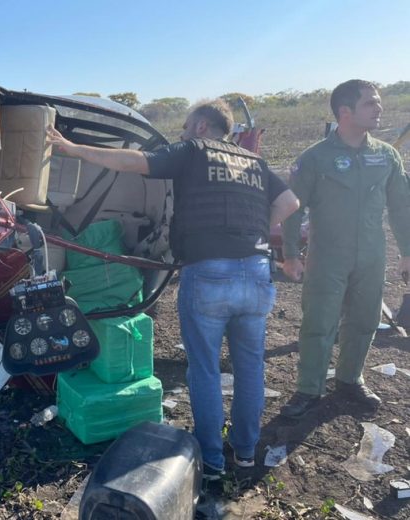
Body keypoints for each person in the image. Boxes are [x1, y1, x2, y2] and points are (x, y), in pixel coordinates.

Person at [47, 100, 299, 480]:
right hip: (256, 271)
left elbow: (135, 163)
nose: (181, 133)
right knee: (250, 369)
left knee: (205, 369)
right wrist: (257, 232)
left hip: (209, 271)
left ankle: (212, 461)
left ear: (201, 127)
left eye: (184, 126)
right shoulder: (253, 162)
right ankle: (246, 454)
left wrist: (73, 149)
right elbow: (290, 202)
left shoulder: (192, 150)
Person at [280, 80, 410, 418]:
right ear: (345, 112)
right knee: (319, 323)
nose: (379, 108)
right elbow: (293, 207)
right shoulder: (315, 158)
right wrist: (291, 254)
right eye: (370, 103)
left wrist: (407, 252)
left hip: (371, 255)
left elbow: (401, 206)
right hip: (327, 256)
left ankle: (350, 380)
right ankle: (309, 389)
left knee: (365, 320)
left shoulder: (386, 155)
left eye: (378, 102)